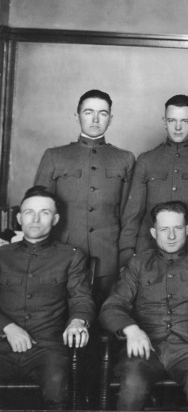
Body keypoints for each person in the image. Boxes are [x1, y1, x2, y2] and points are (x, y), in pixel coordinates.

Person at [100, 201, 188, 412]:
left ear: (187, 229)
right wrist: (131, 329)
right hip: (145, 350)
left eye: (178, 228)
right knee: (132, 386)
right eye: (164, 229)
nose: (171, 236)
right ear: (154, 232)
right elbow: (112, 306)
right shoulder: (137, 264)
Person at [34, 89, 135, 299]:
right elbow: (40, 211)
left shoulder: (124, 159)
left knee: (105, 317)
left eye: (103, 113)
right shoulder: (54, 156)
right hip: (62, 255)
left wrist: (124, 257)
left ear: (111, 118)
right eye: (89, 112)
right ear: (77, 116)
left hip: (109, 256)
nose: (96, 119)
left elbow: (129, 215)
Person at [0, 186, 95, 409]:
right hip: (2, 345)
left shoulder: (71, 256)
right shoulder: (1, 256)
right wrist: (8, 327)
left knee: (57, 385)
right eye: (29, 212)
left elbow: (81, 298)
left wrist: (77, 322)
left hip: (48, 349)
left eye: (44, 212)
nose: (35, 219)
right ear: (19, 218)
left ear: (55, 219)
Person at [119, 95, 188, 267]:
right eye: (172, 120)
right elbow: (133, 213)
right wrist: (126, 252)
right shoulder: (146, 160)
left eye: (184, 121)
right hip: (149, 249)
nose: (177, 127)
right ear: (164, 121)